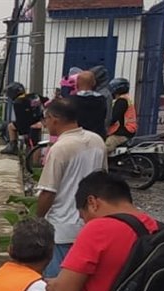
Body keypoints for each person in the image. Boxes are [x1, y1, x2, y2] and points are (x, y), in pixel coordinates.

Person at [35, 98, 107, 277]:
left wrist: (37, 220)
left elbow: (47, 192)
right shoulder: (97, 141)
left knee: (57, 283)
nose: (45, 123)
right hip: (91, 224)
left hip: (62, 228)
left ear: (54, 119)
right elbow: (104, 180)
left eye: (46, 118)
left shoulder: (60, 148)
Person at [0, 82, 44, 155]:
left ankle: (13, 147)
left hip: (28, 124)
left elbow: (20, 119)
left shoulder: (18, 102)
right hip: (39, 121)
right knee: (35, 144)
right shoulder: (33, 96)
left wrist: (23, 132)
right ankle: (35, 161)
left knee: (10, 126)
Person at [71, 70, 108, 140]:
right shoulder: (102, 100)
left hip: (78, 138)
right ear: (94, 83)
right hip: (97, 138)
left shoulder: (71, 101)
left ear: (77, 83)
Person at [106, 77, 138, 153]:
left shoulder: (122, 101)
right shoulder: (125, 99)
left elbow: (113, 118)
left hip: (122, 132)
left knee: (104, 149)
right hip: (127, 131)